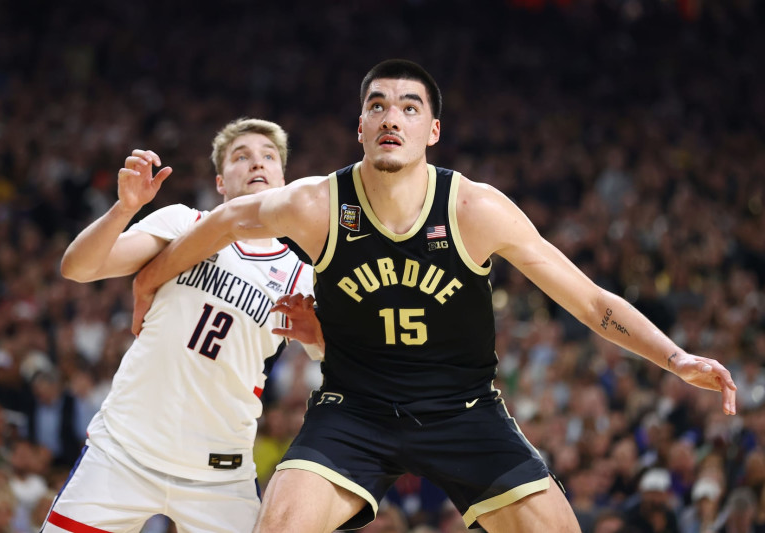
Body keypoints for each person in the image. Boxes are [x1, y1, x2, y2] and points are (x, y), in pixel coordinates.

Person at [131, 59, 737, 532]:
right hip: (354, 410)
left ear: (433, 129)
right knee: (279, 524)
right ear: (361, 127)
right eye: (378, 106)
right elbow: (224, 221)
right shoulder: (317, 204)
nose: (393, 117)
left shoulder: (475, 208)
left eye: (409, 107)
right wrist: (150, 278)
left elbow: (589, 301)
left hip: (464, 411)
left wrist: (676, 358)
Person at [42, 118, 317, 533]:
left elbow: (340, 357)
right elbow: (78, 267)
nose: (256, 164)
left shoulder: (301, 277)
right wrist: (126, 208)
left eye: (268, 157)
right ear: (222, 181)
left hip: (220, 472)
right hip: (125, 450)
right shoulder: (182, 222)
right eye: (241, 157)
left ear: (283, 177)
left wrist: (319, 336)